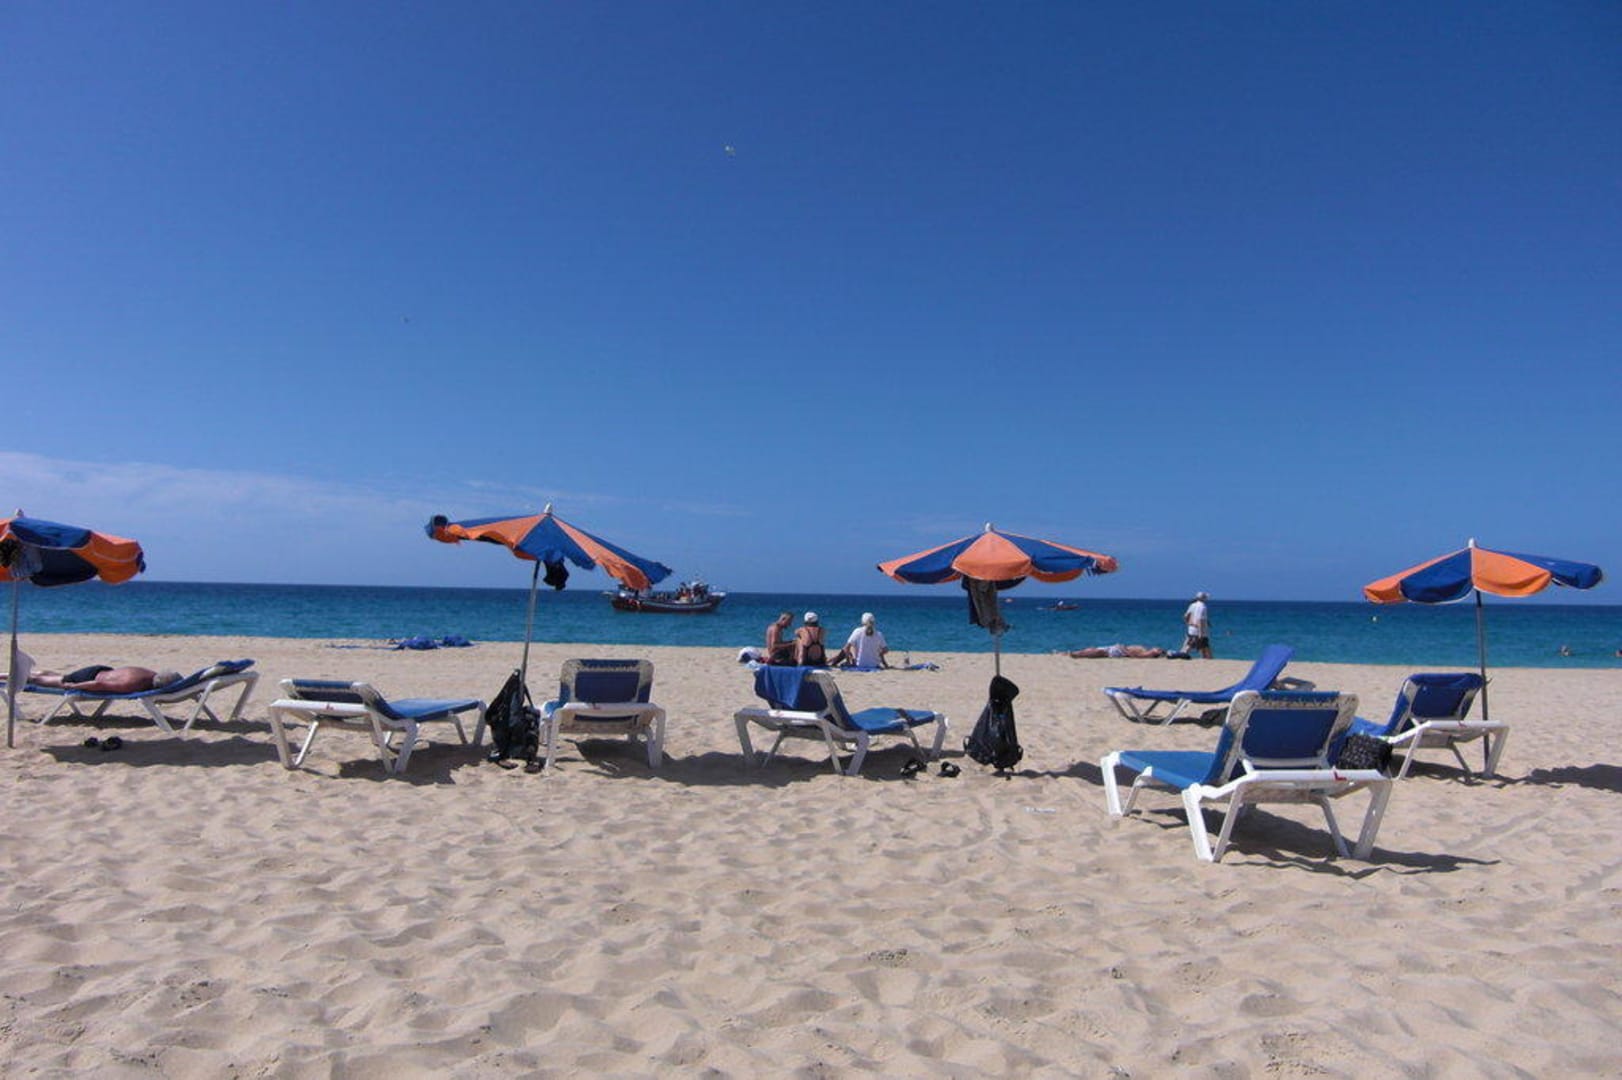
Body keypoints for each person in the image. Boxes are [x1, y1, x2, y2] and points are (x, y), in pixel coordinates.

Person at [29, 666, 180, 693]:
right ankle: (30, 677)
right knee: (54, 682)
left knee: (62, 676)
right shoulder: (132, 684)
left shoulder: (150, 673)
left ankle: (40, 672)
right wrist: (73, 687)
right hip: (90, 677)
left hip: (103, 670)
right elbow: (98, 684)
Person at [1183, 591, 1212, 659]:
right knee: (1205, 648)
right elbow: (1200, 620)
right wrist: (1200, 633)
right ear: (1203, 598)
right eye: (1205, 598)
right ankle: (1181, 656)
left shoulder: (1192, 605)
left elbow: (1185, 616)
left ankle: (1181, 656)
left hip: (1191, 629)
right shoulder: (1203, 607)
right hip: (1200, 631)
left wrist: (1190, 624)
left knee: (1190, 646)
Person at [1065, 644, 1166, 659]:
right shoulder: (1146, 650)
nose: (1157, 648)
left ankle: (1077, 654)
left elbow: (1133, 655)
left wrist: (1123, 648)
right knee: (1094, 649)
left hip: (1118, 652)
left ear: (1156, 653)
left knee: (1098, 652)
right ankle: (1076, 653)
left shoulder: (1146, 654)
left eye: (1158, 649)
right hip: (1118, 649)